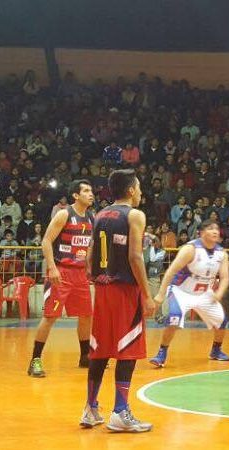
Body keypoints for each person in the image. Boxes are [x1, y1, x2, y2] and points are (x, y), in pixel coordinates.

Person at [81, 169, 155, 432]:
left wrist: (98, 277)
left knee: (100, 348)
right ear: (132, 190)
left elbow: (89, 256)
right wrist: (146, 294)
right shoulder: (135, 215)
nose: (141, 192)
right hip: (124, 289)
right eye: (140, 187)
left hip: (102, 289)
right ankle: (120, 412)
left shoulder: (100, 214)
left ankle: (90, 408)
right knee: (129, 348)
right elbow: (135, 258)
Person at [28, 180, 94, 377]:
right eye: (86, 191)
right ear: (75, 195)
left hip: (80, 273)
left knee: (86, 315)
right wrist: (52, 267)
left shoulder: (91, 217)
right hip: (61, 271)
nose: (91, 194)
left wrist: (89, 266)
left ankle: (84, 356)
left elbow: (88, 246)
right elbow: (46, 241)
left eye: (91, 191)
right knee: (50, 317)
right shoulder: (65, 214)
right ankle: (35, 361)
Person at [149, 219, 229, 367]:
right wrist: (161, 294)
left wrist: (219, 294)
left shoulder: (221, 253)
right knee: (174, 318)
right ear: (201, 233)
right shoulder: (190, 249)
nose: (214, 231)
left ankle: (216, 350)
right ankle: (162, 352)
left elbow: (225, 278)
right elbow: (171, 270)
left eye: (216, 229)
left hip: (204, 293)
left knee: (221, 320)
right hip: (181, 291)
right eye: (210, 228)